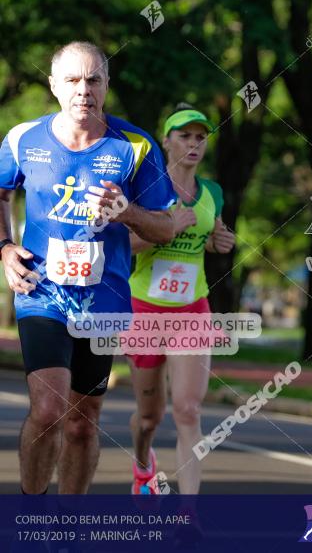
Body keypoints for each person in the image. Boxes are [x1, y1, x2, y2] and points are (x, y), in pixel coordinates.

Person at [0, 41, 175, 494]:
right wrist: (4, 247)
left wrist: (128, 212)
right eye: (73, 81)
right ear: (54, 86)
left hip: (104, 299)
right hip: (42, 291)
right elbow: (0, 193)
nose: (84, 90)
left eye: (93, 79)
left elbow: (166, 229)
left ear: (106, 87)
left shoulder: (135, 146)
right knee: (47, 409)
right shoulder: (23, 139)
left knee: (82, 422)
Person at [127, 104, 234, 495]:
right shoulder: (145, 190)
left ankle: (189, 517)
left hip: (192, 309)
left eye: (200, 137)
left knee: (188, 410)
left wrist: (220, 242)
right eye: (184, 136)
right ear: (166, 141)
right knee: (150, 417)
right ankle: (142, 462)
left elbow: (214, 234)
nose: (193, 143)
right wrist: (166, 229)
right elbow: (124, 246)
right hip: (144, 309)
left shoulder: (213, 193)